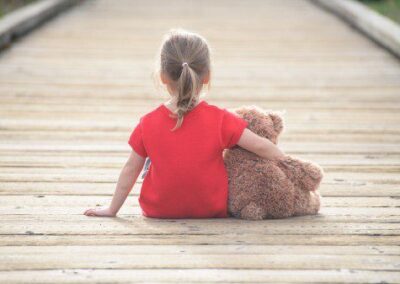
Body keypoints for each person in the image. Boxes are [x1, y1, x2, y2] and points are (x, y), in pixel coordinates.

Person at [84, 28, 286, 219]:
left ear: (163, 77)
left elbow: (130, 169)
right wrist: (289, 165)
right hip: (211, 208)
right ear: (206, 77)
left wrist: (112, 209)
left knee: (148, 161)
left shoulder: (147, 123)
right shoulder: (220, 119)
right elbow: (260, 146)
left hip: (158, 209)